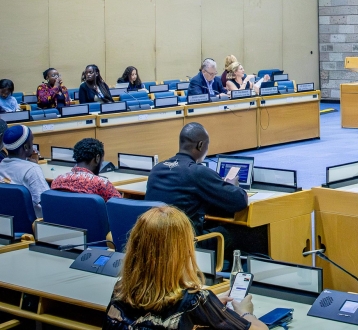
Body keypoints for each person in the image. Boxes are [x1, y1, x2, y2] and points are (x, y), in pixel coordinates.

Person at [104, 206, 268, 330]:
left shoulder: (121, 289)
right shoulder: (194, 300)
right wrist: (246, 313)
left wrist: (213, 305)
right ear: (182, 251)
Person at [145, 123, 248, 251]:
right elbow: (239, 200)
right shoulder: (197, 172)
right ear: (200, 145)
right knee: (245, 233)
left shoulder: (156, 169)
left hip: (157, 241)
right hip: (186, 244)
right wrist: (232, 186)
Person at [0, 125, 50, 216]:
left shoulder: (2, 165)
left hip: (7, 223)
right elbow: (46, 201)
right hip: (32, 226)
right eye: (32, 141)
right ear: (26, 147)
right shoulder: (32, 170)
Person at [50, 138, 121, 201]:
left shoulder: (57, 181)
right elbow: (120, 205)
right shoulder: (101, 183)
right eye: (101, 162)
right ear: (97, 158)